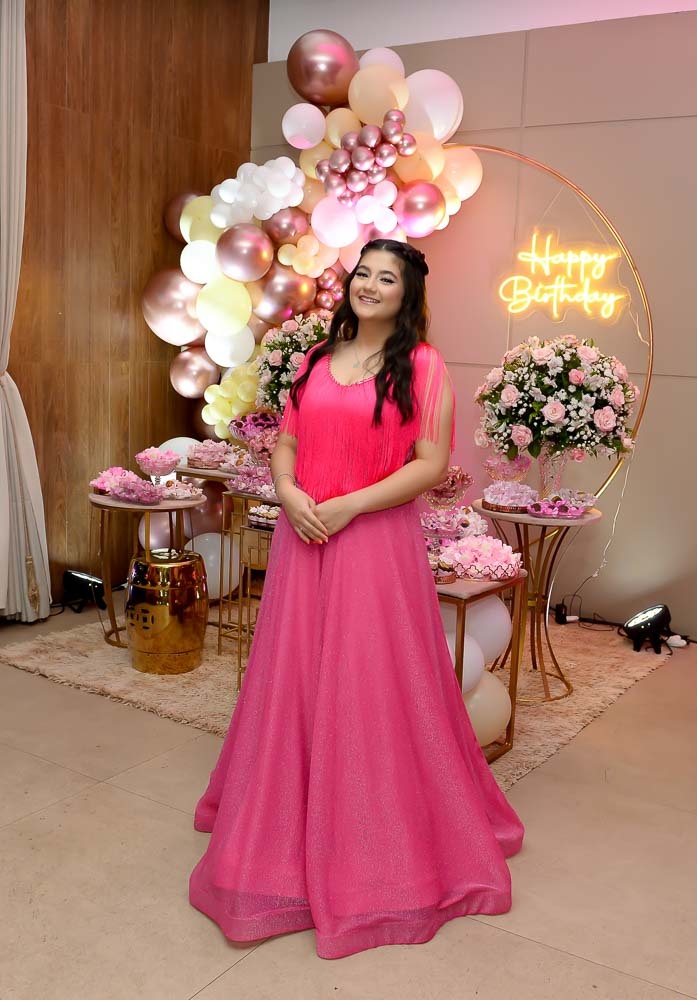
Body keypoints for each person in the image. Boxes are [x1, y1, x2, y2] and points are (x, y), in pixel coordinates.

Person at [189, 238, 524, 960]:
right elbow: (286, 440)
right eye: (363, 274)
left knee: (369, 680)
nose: (370, 285)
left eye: (387, 278)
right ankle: (288, 815)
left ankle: (372, 835)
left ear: (408, 294)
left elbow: (430, 465)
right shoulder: (317, 358)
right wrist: (288, 491)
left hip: (372, 542)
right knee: (294, 676)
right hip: (303, 534)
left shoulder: (423, 366)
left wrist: (349, 505)